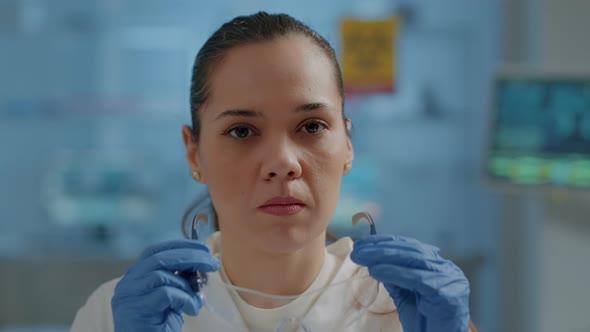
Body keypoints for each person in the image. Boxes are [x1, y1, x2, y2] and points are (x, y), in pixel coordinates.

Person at [70, 11, 476, 332]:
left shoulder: (407, 313)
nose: (283, 162)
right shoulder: (113, 318)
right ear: (194, 154)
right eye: (242, 131)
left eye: (312, 126)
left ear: (348, 145)